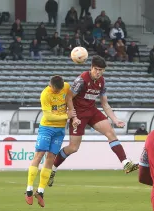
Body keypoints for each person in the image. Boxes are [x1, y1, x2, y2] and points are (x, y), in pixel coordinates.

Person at [48, 56, 139, 186]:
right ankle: (52, 169)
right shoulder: (81, 80)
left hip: (91, 111)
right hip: (79, 113)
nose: (98, 72)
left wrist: (115, 119)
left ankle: (126, 163)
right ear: (91, 68)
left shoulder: (102, 81)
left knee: (111, 133)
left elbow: (105, 104)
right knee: (73, 148)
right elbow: (68, 97)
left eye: (101, 70)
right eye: (96, 69)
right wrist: (73, 117)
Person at [25, 76, 70, 207]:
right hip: (47, 128)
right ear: (50, 85)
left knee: (51, 158)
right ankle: (28, 190)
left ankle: (40, 191)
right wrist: (67, 115)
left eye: (58, 90)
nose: (56, 92)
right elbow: (48, 115)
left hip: (60, 130)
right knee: (39, 155)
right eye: (55, 90)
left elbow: (72, 97)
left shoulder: (66, 87)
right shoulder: (45, 94)